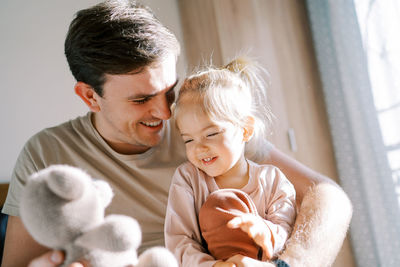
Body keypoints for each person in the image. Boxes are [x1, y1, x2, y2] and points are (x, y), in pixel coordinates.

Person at [1, 1, 352, 267]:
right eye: (141, 99)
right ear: (90, 95)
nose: (166, 113)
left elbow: (328, 196)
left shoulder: (199, 125)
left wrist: (288, 263)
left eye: (169, 91)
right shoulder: (47, 154)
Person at [165, 58, 297, 266]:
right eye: (188, 139)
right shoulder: (188, 179)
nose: (199, 148)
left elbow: (287, 231)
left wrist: (266, 232)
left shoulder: (272, 180)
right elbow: (179, 242)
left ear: (245, 129)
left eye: (211, 134)